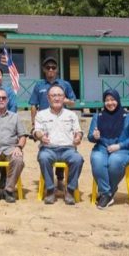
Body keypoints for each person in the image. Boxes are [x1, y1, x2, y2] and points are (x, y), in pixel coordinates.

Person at [28, 56, 77, 190]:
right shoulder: (39, 85)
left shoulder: (64, 84)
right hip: (43, 123)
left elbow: (73, 102)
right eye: (48, 67)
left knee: (62, 145)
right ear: (44, 69)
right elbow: (33, 105)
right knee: (46, 150)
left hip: (61, 122)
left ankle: (60, 180)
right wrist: (33, 124)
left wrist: (63, 100)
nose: (51, 69)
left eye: (53, 67)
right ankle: (48, 181)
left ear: (57, 69)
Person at [87, 89, 129, 209]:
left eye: (113, 100)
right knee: (96, 159)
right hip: (102, 147)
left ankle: (106, 194)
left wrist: (119, 146)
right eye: (107, 100)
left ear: (118, 100)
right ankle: (107, 193)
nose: (110, 103)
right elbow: (90, 137)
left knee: (114, 160)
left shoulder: (128, 117)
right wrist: (94, 137)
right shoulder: (98, 116)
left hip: (123, 150)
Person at [32, 84, 84, 205]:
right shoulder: (41, 114)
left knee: (78, 159)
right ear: (48, 98)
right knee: (43, 158)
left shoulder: (71, 115)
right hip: (48, 149)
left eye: (59, 95)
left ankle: (70, 190)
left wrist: (78, 137)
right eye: (53, 95)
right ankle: (50, 190)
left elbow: (78, 131)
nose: (56, 98)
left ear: (64, 97)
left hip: (68, 149)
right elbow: (36, 131)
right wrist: (40, 136)